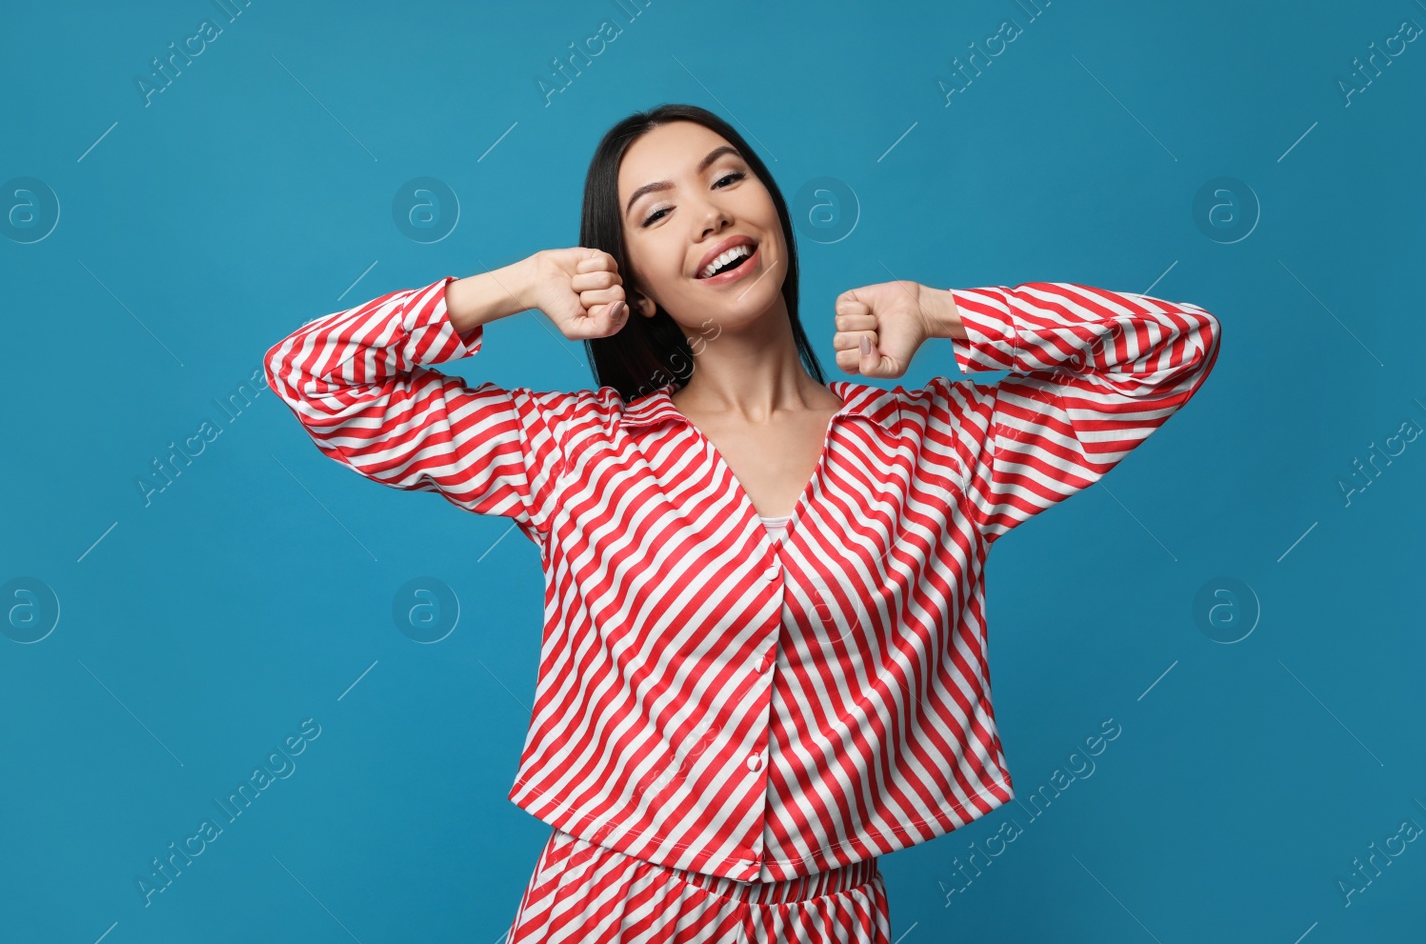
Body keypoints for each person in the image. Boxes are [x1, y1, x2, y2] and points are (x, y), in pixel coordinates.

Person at [263, 103, 1223, 943]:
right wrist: (510, 287)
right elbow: (314, 377)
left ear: (774, 213)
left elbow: (1170, 347)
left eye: (727, 178)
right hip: (612, 903)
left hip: (828, 910)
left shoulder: (942, 447)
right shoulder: (564, 451)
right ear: (631, 283)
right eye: (658, 210)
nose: (710, 210)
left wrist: (947, 313)